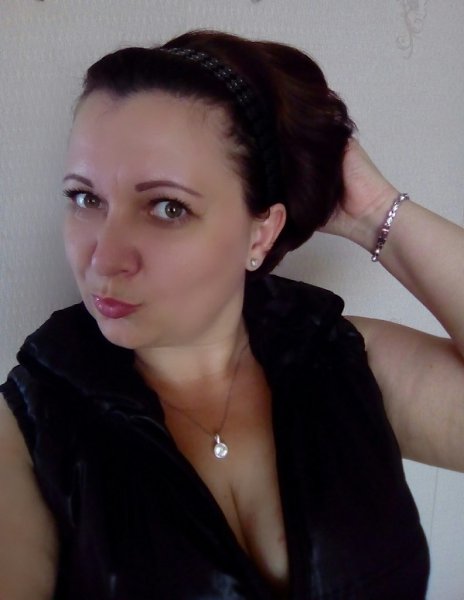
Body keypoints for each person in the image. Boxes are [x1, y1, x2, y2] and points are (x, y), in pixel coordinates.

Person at [0, 29, 463, 600]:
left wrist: (373, 210)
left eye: (167, 207)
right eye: (85, 198)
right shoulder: (28, 428)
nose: (104, 258)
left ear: (260, 233)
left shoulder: (342, 360)